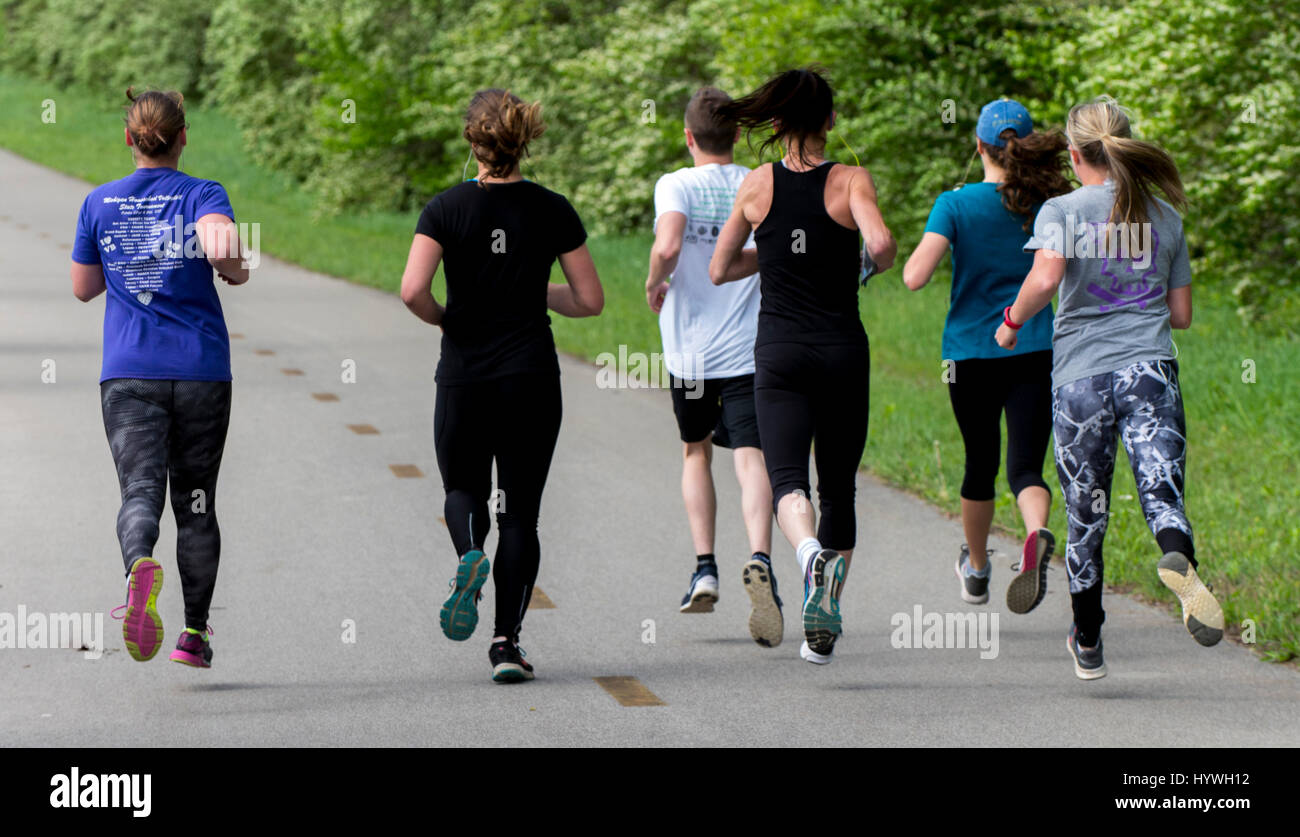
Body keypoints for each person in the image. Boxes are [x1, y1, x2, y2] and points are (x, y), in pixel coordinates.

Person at [995, 96, 1224, 680]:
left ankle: (1089, 639)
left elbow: (1045, 277)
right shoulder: (1165, 215)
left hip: (1080, 380)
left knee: (1085, 514)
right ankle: (1179, 560)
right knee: (1160, 490)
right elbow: (1181, 315)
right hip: (1149, 370)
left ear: (1075, 154)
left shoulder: (1062, 210)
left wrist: (1012, 322)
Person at [400, 88, 604, 683]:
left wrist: (447, 316)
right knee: (519, 517)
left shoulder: (445, 208)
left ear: (472, 141)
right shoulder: (553, 209)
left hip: (464, 377)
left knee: (463, 489)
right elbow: (589, 300)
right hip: (531, 379)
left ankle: (468, 553)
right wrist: (526, 292)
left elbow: (413, 290)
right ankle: (505, 644)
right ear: (525, 141)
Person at [710, 67, 896, 665]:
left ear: (779, 121)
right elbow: (885, 246)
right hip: (842, 350)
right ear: (831, 121)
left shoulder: (756, 185)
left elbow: (719, 268)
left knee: (787, 481)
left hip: (780, 354)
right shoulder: (851, 180)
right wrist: (861, 262)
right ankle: (826, 620)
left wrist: (770, 255)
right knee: (838, 487)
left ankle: (807, 555)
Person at [71, 88, 250, 669]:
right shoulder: (203, 192)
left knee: (139, 492)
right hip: (200, 372)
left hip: (128, 375)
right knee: (196, 503)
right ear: (182, 138)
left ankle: (138, 565)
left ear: (129, 139)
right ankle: (194, 634)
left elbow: (84, 286)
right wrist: (228, 257)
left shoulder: (98, 203)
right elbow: (227, 254)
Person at [903, 99, 1072, 613]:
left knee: (979, 464)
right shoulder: (1049, 206)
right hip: (1034, 348)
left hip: (968, 356)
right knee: (1025, 466)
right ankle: (1037, 532)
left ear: (977, 145)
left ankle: (977, 568)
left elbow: (914, 277)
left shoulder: (954, 204)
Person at [645, 87, 780, 646]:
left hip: (692, 352)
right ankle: (761, 560)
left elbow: (670, 245)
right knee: (752, 457)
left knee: (695, 450)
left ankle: (705, 568)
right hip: (749, 347)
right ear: (736, 136)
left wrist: (655, 278)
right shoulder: (757, 181)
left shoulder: (676, 183)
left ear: (688, 136)